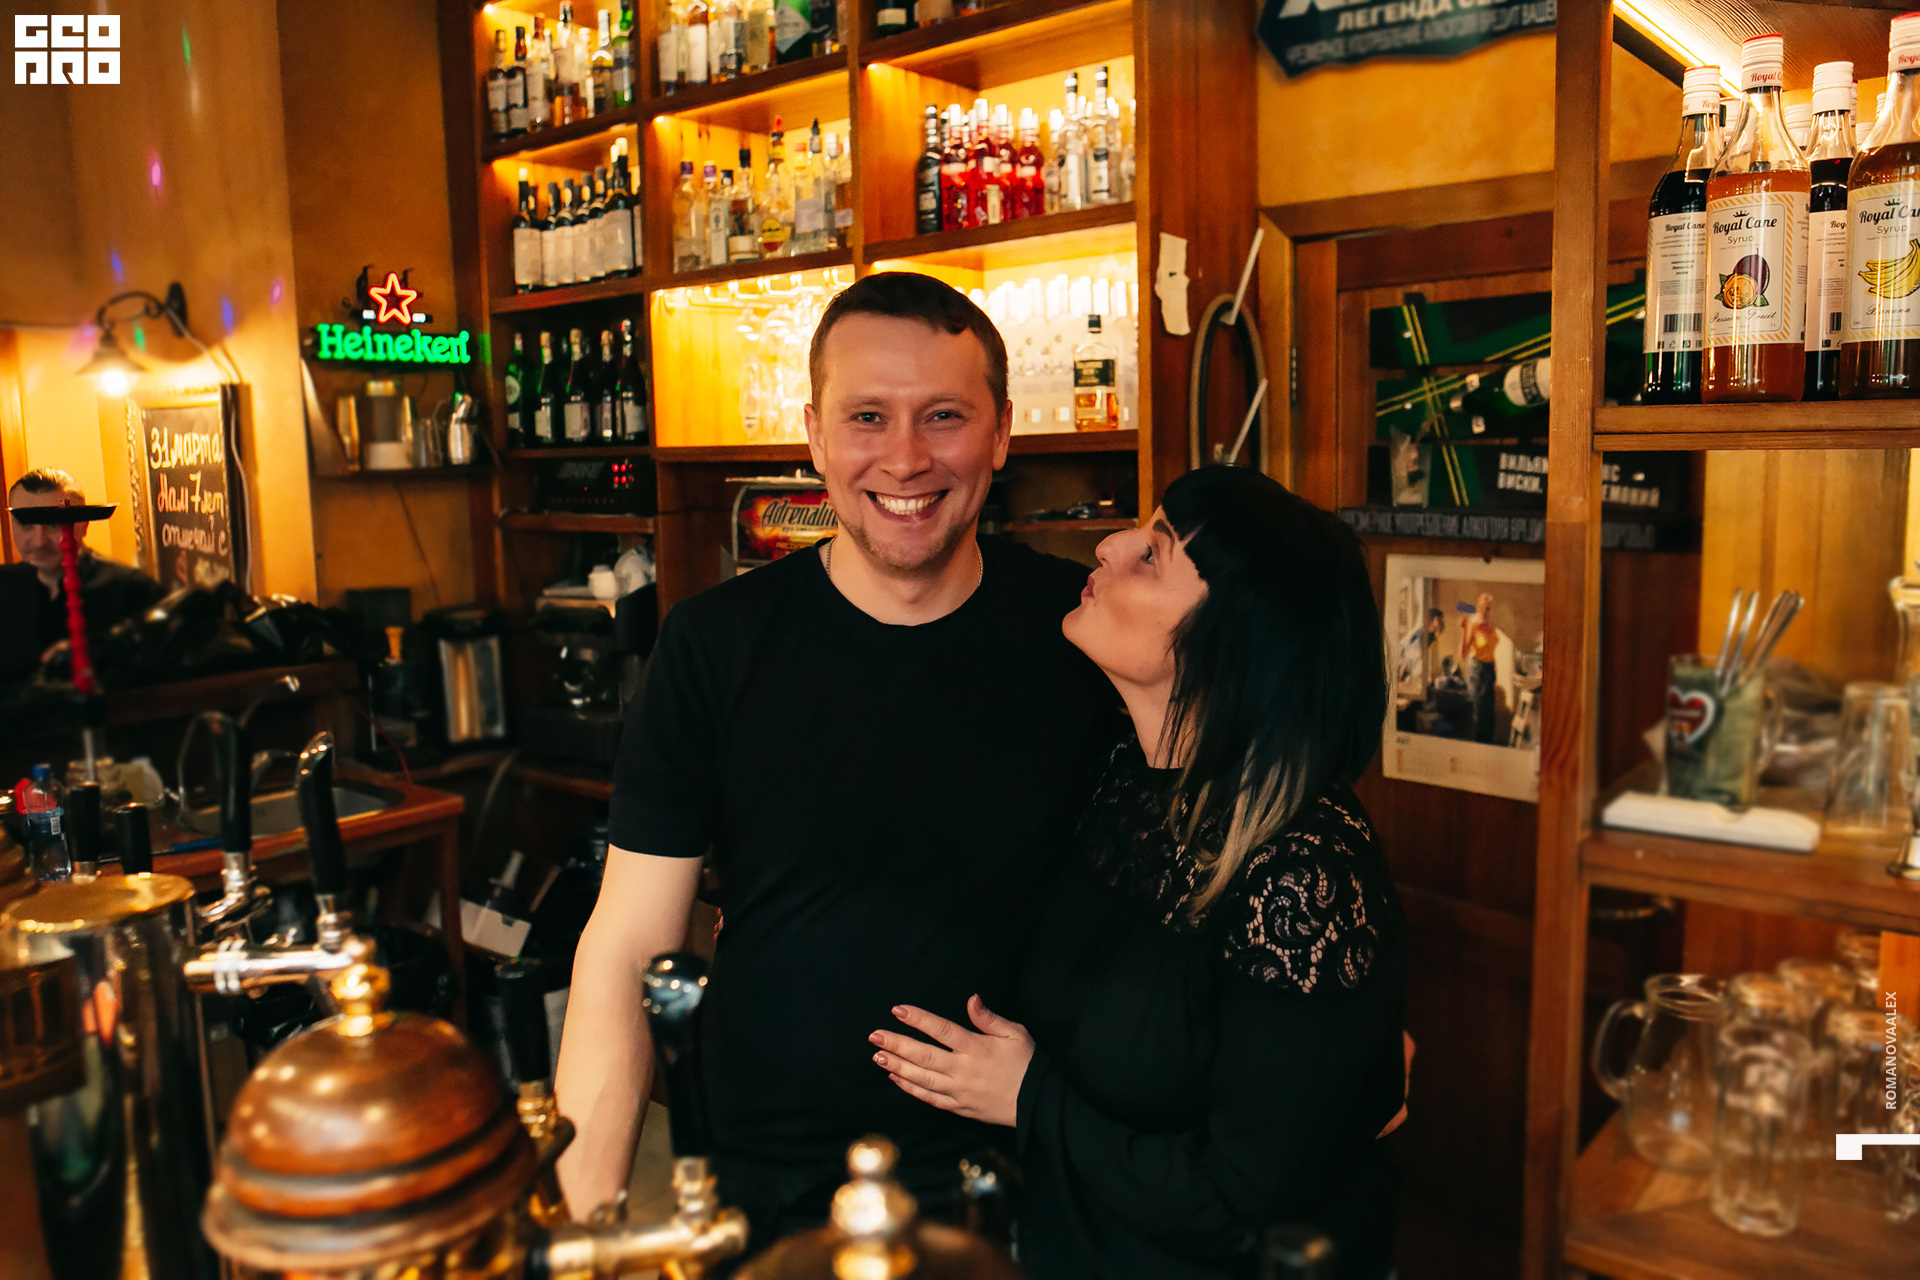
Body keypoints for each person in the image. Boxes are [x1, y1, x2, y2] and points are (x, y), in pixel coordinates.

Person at [556, 272, 1120, 1244]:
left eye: (943, 415)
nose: (904, 457)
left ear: (1001, 432)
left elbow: (1212, 850)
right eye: (868, 417)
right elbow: (628, 943)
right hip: (767, 1182)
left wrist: (1333, 1025)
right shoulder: (714, 644)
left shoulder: (1083, 633)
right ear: (815, 435)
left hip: (1017, 1183)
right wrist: (581, 1222)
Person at [868, 468, 1409, 1279]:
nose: (1109, 545)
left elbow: (1246, 1209)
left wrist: (1028, 1098)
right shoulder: (1120, 777)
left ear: (1230, 642)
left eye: (1153, 554)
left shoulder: (1304, 873)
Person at [2, 468, 164, 682]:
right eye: (25, 523)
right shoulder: (5, 586)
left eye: (54, 524)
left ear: (84, 524)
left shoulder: (130, 588)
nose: (39, 541)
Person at [1459, 592, 1503, 744]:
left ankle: (1488, 745)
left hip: (1489, 670)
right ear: (1478, 608)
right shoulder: (1473, 625)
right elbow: (1463, 654)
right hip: (1477, 670)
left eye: (1488, 608)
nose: (1485, 611)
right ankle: (1477, 747)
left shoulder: (1492, 626)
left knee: (1489, 713)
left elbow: (1492, 654)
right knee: (1478, 712)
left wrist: (1495, 676)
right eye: (1483, 608)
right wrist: (1463, 630)